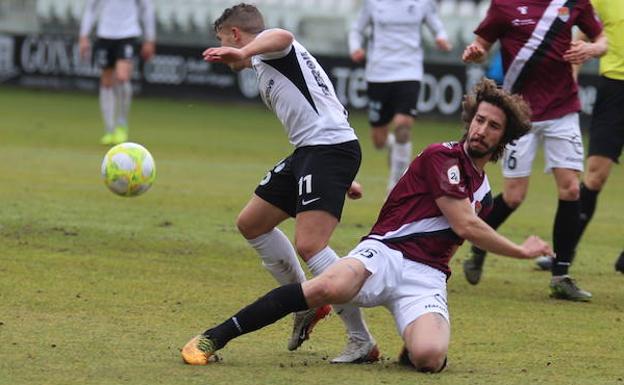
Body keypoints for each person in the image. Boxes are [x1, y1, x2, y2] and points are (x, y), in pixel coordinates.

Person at [180, 78, 554, 372]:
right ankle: (214, 337)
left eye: (492, 126)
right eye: (479, 120)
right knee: (329, 285)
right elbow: (466, 227)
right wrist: (521, 251)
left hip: (427, 277)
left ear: (503, 138)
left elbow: (458, 231)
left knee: (429, 357)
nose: (480, 130)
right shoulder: (443, 157)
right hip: (384, 253)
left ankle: (416, 342)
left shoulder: (485, 193)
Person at [201, 3, 379, 364]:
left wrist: (244, 51)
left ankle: (361, 341)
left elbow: (283, 35)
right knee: (251, 224)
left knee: (311, 244)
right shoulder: (269, 63)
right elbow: (326, 106)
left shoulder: (275, 48)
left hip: (326, 150)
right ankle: (306, 302)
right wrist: (344, 178)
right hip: (314, 152)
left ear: (235, 35)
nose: (224, 54)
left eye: (223, 42)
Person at [461, 0, 607, 301]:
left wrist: (592, 50)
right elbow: (481, 44)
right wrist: (475, 52)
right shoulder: (504, 5)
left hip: (563, 110)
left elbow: (602, 39)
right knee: (514, 196)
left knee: (570, 190)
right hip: (520, 115)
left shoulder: (574, 3)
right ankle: (479, 245)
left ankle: (560, 274)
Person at [535, 0, 624, 274]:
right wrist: (571, 75)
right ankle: (563, 254)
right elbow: (585, 31)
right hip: (615, 89)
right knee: (595, 176)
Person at [349, 0, 452, 193]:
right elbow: (357, 29)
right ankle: (393, 145)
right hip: (378, 73)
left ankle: (395, 185)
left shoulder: (422, 3)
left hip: (409, 71)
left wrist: (441, 37)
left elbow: (436, 24)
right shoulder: (373, 4)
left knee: (403, 125)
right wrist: (355, 47)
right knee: (378, 141)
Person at [79, 0, 156, 145]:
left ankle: (121, 123)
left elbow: (147, 8)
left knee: (122, 77)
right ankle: (109, 128)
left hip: (128, 33)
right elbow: (90, 8)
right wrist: (83, 36)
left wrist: (149, 39)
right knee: (106, 82)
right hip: (105, 34)